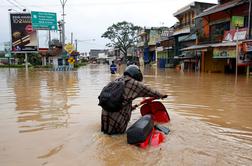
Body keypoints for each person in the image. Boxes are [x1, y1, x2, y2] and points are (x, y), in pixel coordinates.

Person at [101, 65, 167, 135]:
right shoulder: (133, 83)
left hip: (105, 113)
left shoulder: (116, 81)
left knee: (105, 134)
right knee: (117, 136)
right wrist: (162, 95)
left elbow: (122, 101)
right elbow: (149, 90)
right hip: (117, 117)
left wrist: (134, 106)